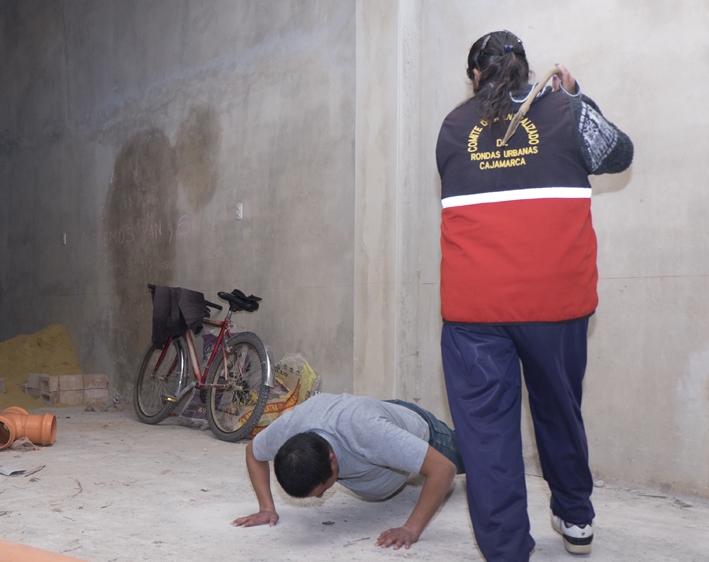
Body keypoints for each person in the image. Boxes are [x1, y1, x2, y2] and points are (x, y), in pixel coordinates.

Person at [434, 30, 633, 561]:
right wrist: (578, 94)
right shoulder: (565, 109)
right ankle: (576, 518)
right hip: (554, 303)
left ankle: (505, 551)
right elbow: (620, 153)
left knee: (486, 436)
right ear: (525, 67)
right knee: (559, 410)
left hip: (473, 309)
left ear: (475, 75)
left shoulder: (452, 128)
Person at [232, 392, 464, 550]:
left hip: (426, 434)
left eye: (321, 490)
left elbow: (444, 469)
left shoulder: (370, 432)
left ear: (332, 459)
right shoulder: (289, 431)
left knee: (480, 457)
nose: (322, 497)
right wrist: (266, 508)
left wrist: (411, 529)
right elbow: (254, 452)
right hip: (374, 417)